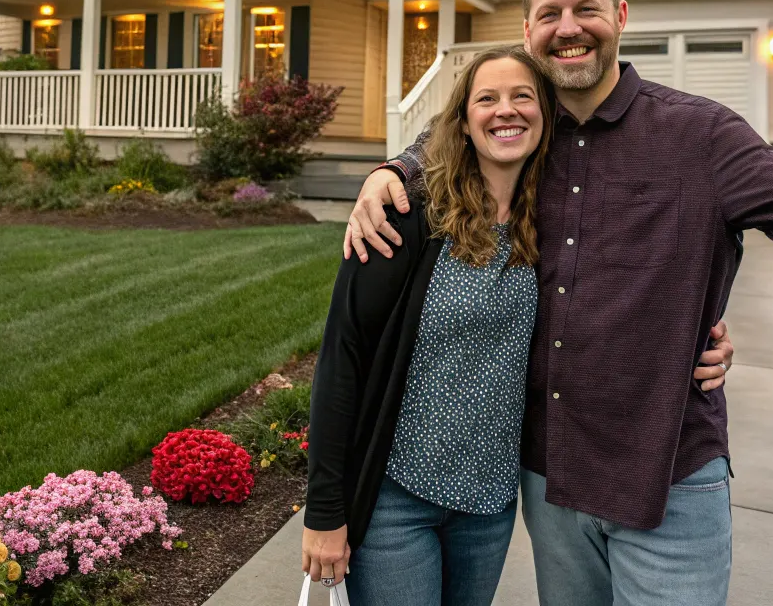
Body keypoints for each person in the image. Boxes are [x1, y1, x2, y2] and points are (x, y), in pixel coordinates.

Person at [344, 0, 773, 606]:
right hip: (553, 484)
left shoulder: (703, 137)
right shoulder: (522, 140)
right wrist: (392, 171)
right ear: (528, 31)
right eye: (549, 13)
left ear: (621, 16)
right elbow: (451, 136)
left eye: (586, 9)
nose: (568, 27)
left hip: (668, 476)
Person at [303, 45, 732, 606]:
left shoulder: (551, 225)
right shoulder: (406, 218)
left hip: (489, 506)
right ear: (461, 121)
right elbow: (342, 361)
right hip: (397, 497)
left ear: (544, 117)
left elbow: (619, 305)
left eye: (522, 97)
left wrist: (703, 337)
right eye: (487, 99)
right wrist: (324, 514)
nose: (505, 111)